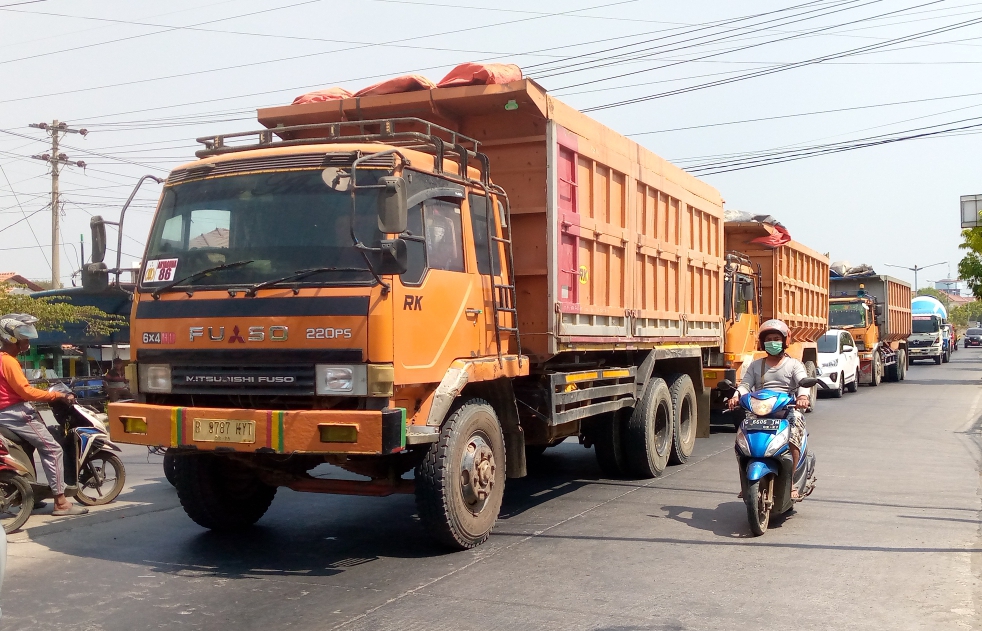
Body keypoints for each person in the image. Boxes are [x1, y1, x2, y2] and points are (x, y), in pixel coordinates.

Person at [0, 314, 87, 516]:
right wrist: (58, 395)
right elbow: (26, 392)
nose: (27, 341)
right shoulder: (10, 362)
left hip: (4, 415)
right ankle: (61, 501)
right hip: (16, 413)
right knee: (53, 448)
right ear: (10, 338)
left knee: (31, 446)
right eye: (23, 336)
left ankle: (32, 495)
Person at [727, 319, 810, 500]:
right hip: (760, 409)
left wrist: (803, 397)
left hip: (787, 410)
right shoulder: (756, 365)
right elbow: (746, 385)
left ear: (785, 341)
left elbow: (803, 382)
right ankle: (745, 482)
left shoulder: (794, 365)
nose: (773, 342)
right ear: (763, 342)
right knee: (741, 443)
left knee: (794, 439)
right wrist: (736, 397)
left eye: (776, 338)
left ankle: (792, 483)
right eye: (769, 339)